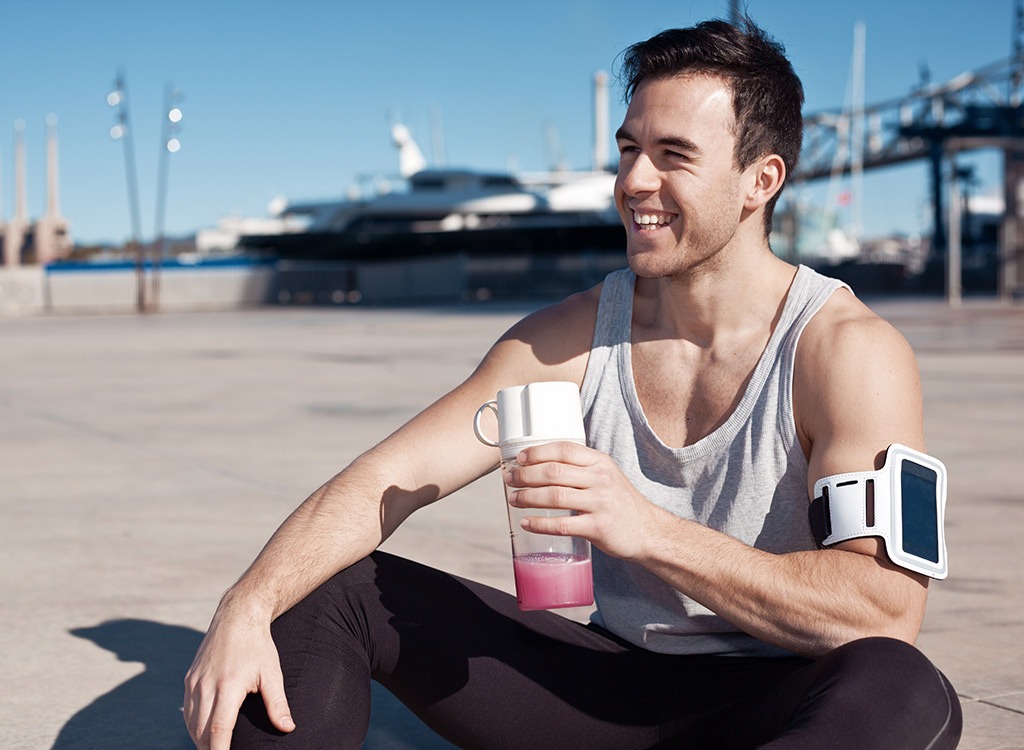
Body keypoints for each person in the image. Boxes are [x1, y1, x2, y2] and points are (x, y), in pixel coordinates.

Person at [184, 17, 962, 750]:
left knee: (902, 685)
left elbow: (883, 609)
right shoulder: (568, 336)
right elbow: (384, 481)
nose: (633, 180)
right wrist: (245, 603)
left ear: (760, 180)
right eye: (628, 149)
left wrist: (646, 529)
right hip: (604, 687)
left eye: (673, 154)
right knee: (323, 589)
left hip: (775, 697)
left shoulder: (849, 351)